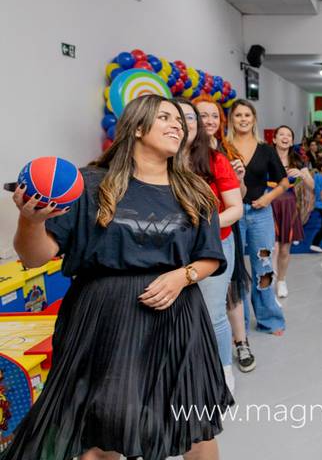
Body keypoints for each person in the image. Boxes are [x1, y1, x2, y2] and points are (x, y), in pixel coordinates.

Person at [6, 95, 231, 460]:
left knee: (194, 424)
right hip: (104, 320)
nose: (177, 125)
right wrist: (29, 221)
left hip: (177, 316)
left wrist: (182, 277)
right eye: (165, 117)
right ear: (137, 127)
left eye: (180, 120)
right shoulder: (90, 185)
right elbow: (34, 257)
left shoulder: (195, 190)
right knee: (102, 430)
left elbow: (209, 257)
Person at [179, 97, 242, 392]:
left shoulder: (215, 160)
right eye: (176, 117)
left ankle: (223, 370)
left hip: (214, 245)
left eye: (190, 117)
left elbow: (235, 208)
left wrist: (202, 229)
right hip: (173, 250)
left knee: (213, 312)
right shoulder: (160, 162)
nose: (183, 123)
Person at [192, 95, 256, 373]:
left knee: (231, 287)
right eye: (202, 115)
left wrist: (239, 179)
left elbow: (239, 196)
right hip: (199, 233)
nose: (209, 120)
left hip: (225, 228)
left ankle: (240, 342)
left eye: (214, 116)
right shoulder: (180, 151)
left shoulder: (226, 151)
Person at [228, 98, 289, 336]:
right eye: (238, 115)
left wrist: (268, 198)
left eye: (247, 115)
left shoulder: (265, 149)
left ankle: (269, 319)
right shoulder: (223, 147)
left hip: (260, 214)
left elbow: (284, 182)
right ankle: (238, 325)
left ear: (254, 119)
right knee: (234, 269)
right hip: (232, 214)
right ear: (231, 119)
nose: (243, 119)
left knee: (263, 267)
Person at [272, 125, 314, 297]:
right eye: (281, 134)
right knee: (272, 247)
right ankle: (269, 279)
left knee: (284, 248)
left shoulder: (297, 159)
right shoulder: (266, 156)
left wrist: (302, 175)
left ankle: (281, 280)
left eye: (288, 135)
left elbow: (312, 185)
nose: (285, 137)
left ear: (291, 141)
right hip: (268, 204)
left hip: (288, 205)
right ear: (274, 139)